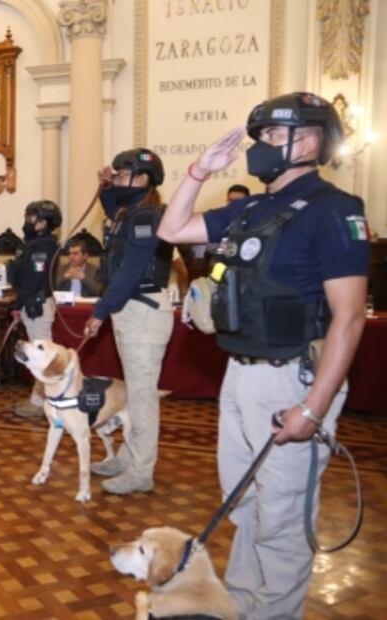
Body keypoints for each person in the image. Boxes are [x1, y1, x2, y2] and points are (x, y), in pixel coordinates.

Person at [157, 92, 369, 618]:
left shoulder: (335, 210)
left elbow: (350, 316)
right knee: (245, 504)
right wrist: (198, 171)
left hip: (292, 380)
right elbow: (171, 229)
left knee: (280, 520)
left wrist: (314, 408)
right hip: (240, 372)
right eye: (261, 138)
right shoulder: (250, 207)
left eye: (274, 136)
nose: (261, 148)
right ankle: (245, 607)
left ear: (313, 139)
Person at [83, 149, 174, 495]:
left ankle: (140, 470)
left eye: (122, 175)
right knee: (136, 396)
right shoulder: (131, 213)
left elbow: (131, 271)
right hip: (133, 311)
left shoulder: (146, 216)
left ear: (142, 178)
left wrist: (100, 311)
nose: (118, 179)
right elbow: (112, 214)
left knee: (142, 398)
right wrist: (105, 187)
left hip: (143, 311)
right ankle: (127, 458)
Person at [7, 200, 61, 417]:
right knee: (38, 354)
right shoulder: (34, 244)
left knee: (42, 357)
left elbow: (34, 279)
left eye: (31, 217)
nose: (27, 221)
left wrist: (18, 304)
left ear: (42, 222)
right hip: (32, 303)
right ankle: (38, 399)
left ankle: (39, 404)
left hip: (36, 304)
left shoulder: (44, 246)